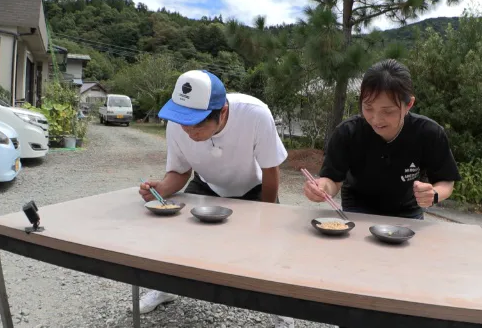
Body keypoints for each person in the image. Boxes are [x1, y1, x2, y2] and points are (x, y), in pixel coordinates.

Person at [138, 69, 295, 328]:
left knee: (269, 247)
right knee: (175, 233)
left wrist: (267, 216)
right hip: (208, 184)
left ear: (222, 112)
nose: (188, 130)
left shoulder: (255, 114)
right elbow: (179, 171)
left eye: (198, 124)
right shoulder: (178, 125)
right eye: (183, 122)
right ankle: (165, 288)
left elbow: (270, 171)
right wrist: (162, 188)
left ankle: (280, 306)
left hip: (254, 187)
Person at [304, 59, 461, 219]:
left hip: (407, 212)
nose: (376, 119)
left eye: (388, 111)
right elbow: (332, 180)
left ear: (409, 104)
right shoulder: (348, 132)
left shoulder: (428, 132)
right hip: (358, 209)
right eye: (368, 108)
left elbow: (446, 182)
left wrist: (433, 194)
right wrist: (322, 187)